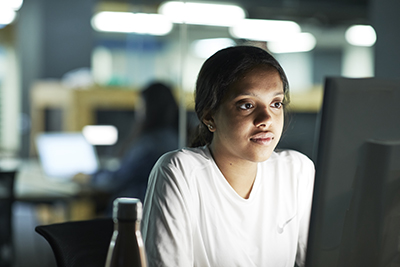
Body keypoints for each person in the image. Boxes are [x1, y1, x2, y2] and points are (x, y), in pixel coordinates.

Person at [141, 46, 315, 267]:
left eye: (276, 104)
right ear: (209, 116)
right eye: (246, 105)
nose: (266, 119)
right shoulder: (180, 171)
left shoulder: (296, 170)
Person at [80, 82, 179, 208]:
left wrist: (90, 177)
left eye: (141, 105)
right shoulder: (174, 137)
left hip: (133, 214)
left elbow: (116, 180)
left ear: (149, 108)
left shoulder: (150, 144)